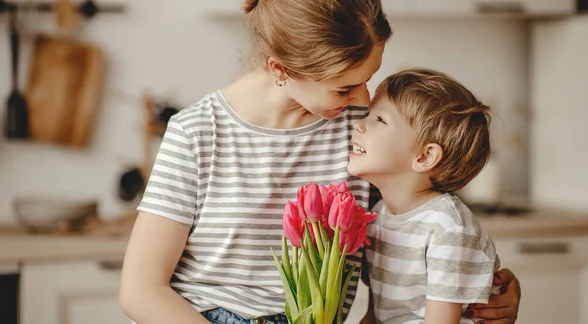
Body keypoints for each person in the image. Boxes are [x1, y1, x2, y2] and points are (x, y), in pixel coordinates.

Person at [118, 0, 521, 323]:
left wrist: (481, 289)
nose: (364, 100)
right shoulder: (197, 133)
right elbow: (141, 291)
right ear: (281, 69)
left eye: (368, 79)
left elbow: (418, 233)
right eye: (345, 87)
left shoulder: (362, 134)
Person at [349, 68, 514, 324]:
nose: (359, 124)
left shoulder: (448, 229)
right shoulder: (378, 216)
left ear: (425, 157)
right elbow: (375, 316)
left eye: (379, 119)